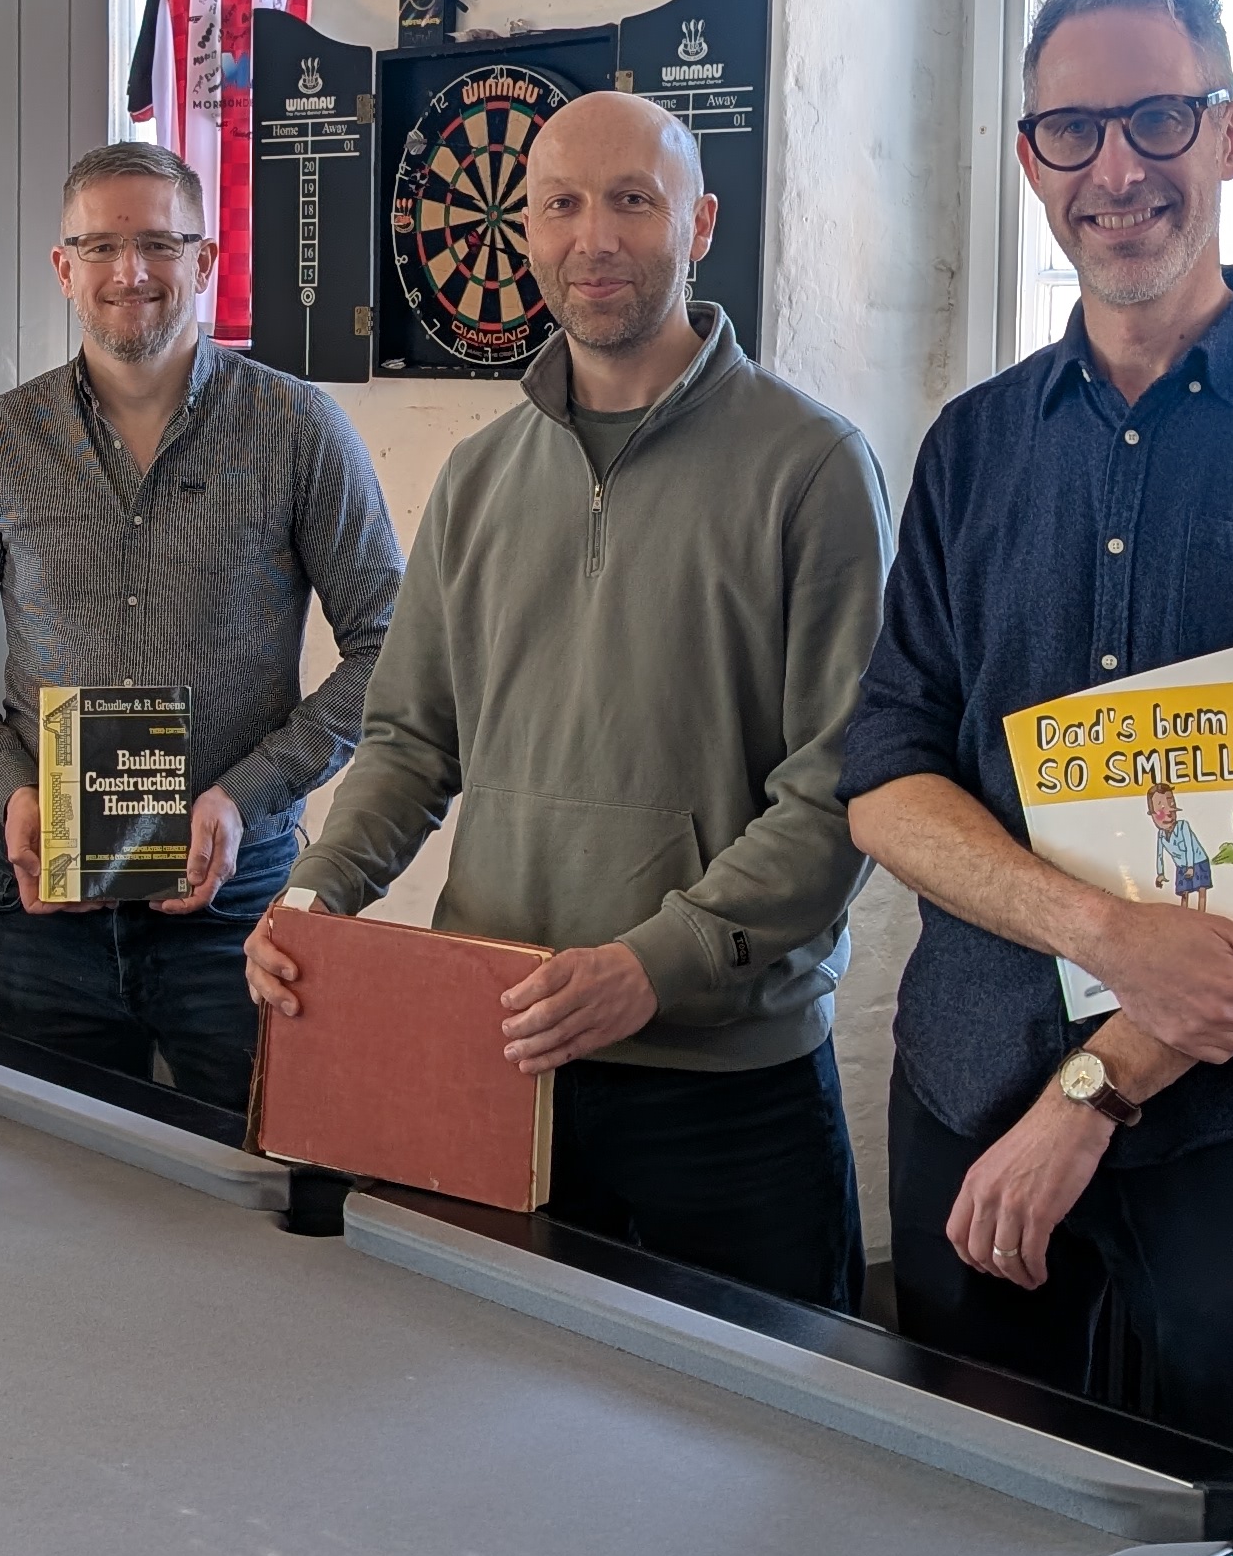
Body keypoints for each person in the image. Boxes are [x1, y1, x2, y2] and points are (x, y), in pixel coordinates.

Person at [841, 0, 1233, 1489]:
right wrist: (1107, 940)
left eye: (1159, 121)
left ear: (1230, 136)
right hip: (967, 1091)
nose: (1116, 170)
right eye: (1073, 131)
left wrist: (1101, 1082)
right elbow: (887, 774)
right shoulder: (974, 447)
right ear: (1033, 159)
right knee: (976, 1538)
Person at [246, 92, 891, 1309]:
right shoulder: (484, 475)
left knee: (757, 1465)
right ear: (526, 234)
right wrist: (318, 898)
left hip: (724, 1089)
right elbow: (410, 736)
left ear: (699, 222)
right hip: (498, 1056)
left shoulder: (813, 469)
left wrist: (660, 960)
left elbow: (839, 787)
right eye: (560, 206)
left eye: (631, 202)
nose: (593, 237)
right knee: (495, 1441)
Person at [0, 140, 402, 1114]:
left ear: (205, 261)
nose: (130, 273)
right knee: (64, 1186)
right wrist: (10, 791)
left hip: (237, 907)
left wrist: (244, 794)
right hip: (48, 907)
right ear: (63, 268)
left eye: (159, 245)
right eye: (100, 247)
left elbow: (396, 644)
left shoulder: (297, 429)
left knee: (257, 1173)